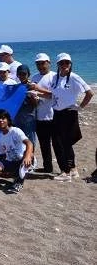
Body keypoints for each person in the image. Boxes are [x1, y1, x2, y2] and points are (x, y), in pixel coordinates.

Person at [50, 53, 93, 181]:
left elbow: (90, 93)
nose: (64, 65)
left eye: (67, 62)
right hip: (57, 113)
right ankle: (73, 170)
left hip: (69, 113)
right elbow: (53, 94)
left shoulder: (74, 77)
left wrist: (80, 107)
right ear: (57, 64)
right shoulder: (55, 78)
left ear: (70, 64)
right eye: (61, 63)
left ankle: (67, 173)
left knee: (66, 142)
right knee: (59, 142)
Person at [0, 109, 34, 194]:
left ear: (8, 120)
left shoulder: (15, 131)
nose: (0, 120)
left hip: (23, 160)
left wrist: (27, 156)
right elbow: (3, 155)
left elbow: (29, 143)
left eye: (3, 118)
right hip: (11, 162)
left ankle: (18, 183)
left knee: (29, 154)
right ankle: (16, 174)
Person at [31, 53, 55, 173]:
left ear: (49, 63)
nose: (41, 66)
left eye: (43, 63)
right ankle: (48, 167)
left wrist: (37, 91)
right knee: (44, 144)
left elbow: (53, 95)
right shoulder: (34, 77)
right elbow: (32, 95)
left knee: (58, 144)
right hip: (39, 116)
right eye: (38, 64)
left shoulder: (54, 76)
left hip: (54, 115)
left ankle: (66, 168)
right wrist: (33, 98)